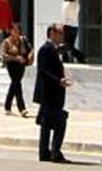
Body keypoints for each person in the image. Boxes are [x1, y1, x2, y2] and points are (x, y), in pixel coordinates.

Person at [34, 23, 72, 163]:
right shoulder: (45, 49)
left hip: (54, 94)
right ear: (52, 33)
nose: (62, 36)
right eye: (60, 33)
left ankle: (45, 152)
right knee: (59, 122)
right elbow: (43, 71)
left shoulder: (56, 49)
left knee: (47, 123)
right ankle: (55, 153)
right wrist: (59, 81)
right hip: (48, 94)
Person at [1, 23, 33, 117]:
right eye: (14, 30)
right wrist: (15, 58)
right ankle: (22, 108)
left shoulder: (23, 40)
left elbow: (31, 49)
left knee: (15, 84)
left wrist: (30, 56)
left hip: (21, 64)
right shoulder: (6, 42)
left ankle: (7, 106)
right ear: (10, 31)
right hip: (11, 65)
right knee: (17, 84)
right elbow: (3, 55)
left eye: (18, 30)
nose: (17, 32)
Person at [60, 0, 85, 64]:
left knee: (67, 45)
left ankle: (80, 55)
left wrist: (62, 26)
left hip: (67, 26)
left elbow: (64, 16)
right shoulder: (77, 5)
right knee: (70, 45)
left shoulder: (65, 4)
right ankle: (66, 58)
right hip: (75, 26)